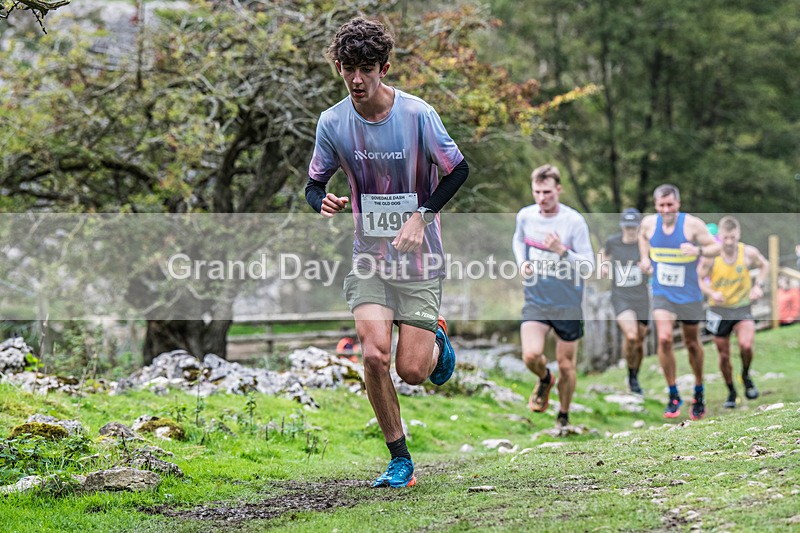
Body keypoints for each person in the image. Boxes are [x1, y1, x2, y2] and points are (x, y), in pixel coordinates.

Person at [305, 18, 468, 488]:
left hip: (419, 260)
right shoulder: (332, 122)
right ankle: (400, 458)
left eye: (366, 69)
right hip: (369, 258)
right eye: (348, 69)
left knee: (412, 372)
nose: (357, 79)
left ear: (384, 67)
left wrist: (423, 214)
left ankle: (435, 340)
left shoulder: (418, 114)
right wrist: (326, 202)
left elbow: (458, 171)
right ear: (338, 67)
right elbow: (314, 185)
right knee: (374, 356)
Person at [513, 164, 594, 429]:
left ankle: (564, 415)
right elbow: (517, 240)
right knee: (531, 355)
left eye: (547, 192)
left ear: (558, 190)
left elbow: (588, 266)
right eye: (537, 192)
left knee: (567, 364)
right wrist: (522, 261)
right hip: (536, 297)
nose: (541, 197)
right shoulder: (526, 216)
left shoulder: (573, 222)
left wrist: (562, 251)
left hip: (568, 302)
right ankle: (545, 378)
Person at [638, 184, 720, 420]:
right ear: (656, 206)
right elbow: (643, 239)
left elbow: (715, 247)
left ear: (678, 204)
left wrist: (696, 250)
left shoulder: (692, 224)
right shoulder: (649, 224)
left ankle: (699, 389)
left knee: (692, 343)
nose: (666, 210)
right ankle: (673, 393)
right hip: (662, 291)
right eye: (662, 205)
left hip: (689, 294)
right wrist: (644, 258)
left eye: (670, 205)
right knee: (663, 339)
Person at [698, 216, 768, 408]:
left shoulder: (748, 252)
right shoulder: (712, 257)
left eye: (733, 237)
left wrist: (758, 286)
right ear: (720, 236)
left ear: (738, 234)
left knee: (746, 345)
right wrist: (711, 292)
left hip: (742, 307)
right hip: (718, 311)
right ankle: (731, 391)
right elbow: (698, 279)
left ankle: (745, 375)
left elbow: (765, 265)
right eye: (726, 238)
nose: (729, 242)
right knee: (724, 355)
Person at [598, 208, 650, 394]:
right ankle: (631, 376)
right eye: (627, 227)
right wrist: (603, 267)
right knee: (631, 336)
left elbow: (654, 265)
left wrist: (648, 268)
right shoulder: (613, 242)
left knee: (640, 340)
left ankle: (635, 373)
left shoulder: (645, 245)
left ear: (639, 227)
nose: (630, 230)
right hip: (621, 296)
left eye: (633, 227)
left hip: (641, 297)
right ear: (622, 226)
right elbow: (603, 254)